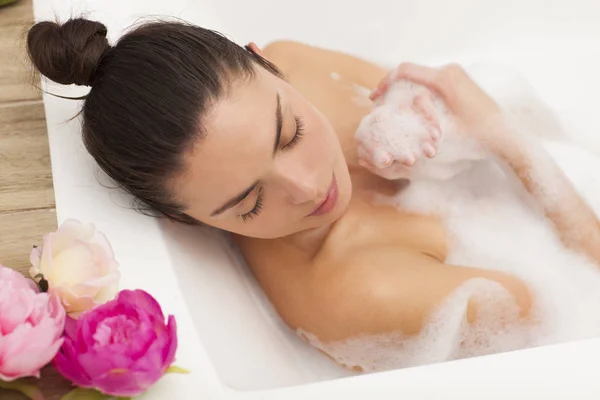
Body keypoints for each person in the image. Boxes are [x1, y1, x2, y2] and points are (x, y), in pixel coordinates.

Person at [26, 18, 600, 370]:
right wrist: (502, 134)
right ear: (184, 221)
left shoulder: (305, 66)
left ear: (268, 63)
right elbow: (579, 299)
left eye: (290, 132)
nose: (308, 187)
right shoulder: (360, 293)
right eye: (248, 202)